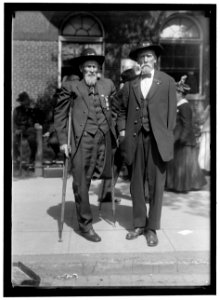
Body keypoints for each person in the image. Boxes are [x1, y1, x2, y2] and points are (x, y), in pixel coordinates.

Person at [115, 41, 177, 246]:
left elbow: (171, 116)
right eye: (141, 57)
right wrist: (123, 131)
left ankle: (152, 228)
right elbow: (122, 111)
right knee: (136, 183)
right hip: (135, 138)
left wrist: (167, 137)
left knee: (157, 185)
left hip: (158, 140)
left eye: (149, 56)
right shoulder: (131, 84)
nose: (145, 60)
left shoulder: (167, 82)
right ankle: (139, 224)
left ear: (155, 59)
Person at [54, 48, 117, 242]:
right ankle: (85, 225)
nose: (91, 69)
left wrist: (113, 127)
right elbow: (61, 114)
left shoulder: (108, 85)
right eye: (88, 66)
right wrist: (64, 141)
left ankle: (89, 213)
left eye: (95, 66)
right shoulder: (71, 86)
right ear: (82, 68)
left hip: (103, 138)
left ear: (99, 69)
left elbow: (115, 108)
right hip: (82, 139)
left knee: (101, 176)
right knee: (81, 181)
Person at [166, 75, 207, 192]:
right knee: (178, 163)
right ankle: (176, 184)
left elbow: (187, 124)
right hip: (177, 137)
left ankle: (183, 186)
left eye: (174, 93)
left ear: (180, 94)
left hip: (184, 140)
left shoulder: (185, 106)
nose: (173, 95)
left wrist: (182, 138)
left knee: (183, 165)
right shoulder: (179, 105)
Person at [13, 92, 38, 166]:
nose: (25, 103)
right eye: (23, 101)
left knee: (32, 140)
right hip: (18, 129)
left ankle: (32, 159)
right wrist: (15, 130)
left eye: (26, 101)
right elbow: (13, 122)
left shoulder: (31, 111)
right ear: (21, 102)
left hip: (28, 130)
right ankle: (17, 158)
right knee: (14, 141)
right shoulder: (16, 110)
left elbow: (31, 123)